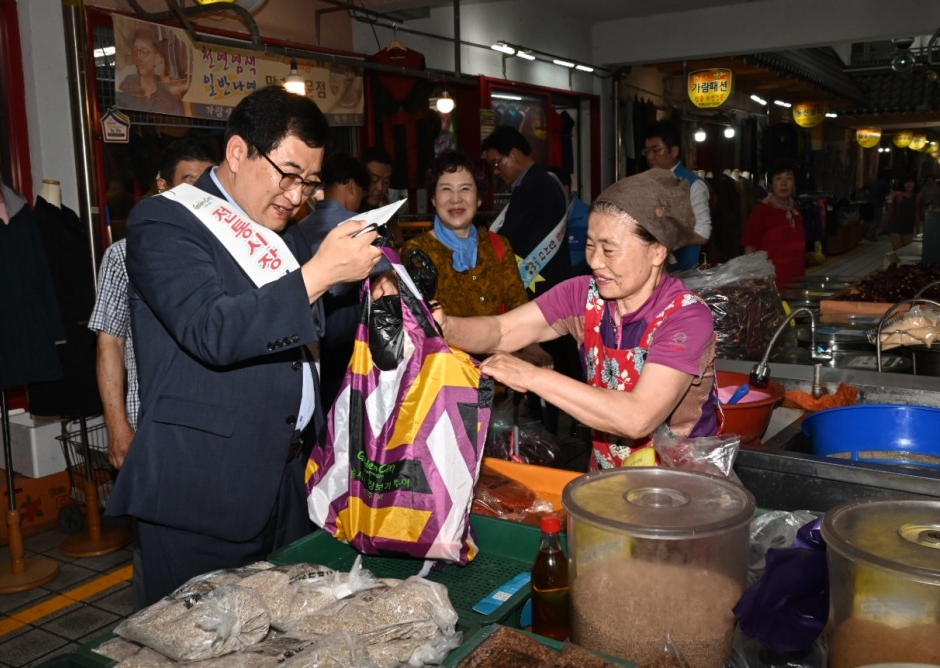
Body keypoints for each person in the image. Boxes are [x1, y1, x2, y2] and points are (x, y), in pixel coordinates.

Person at [105, 86, 384, 606]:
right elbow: (211, 329)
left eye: (311, 182)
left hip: (286, 480)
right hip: (203, 487)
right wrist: (319, 275)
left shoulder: (281, 227)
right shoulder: (164, 221)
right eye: (290, 174)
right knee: (200, 649)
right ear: (238, 152)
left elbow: (311, 323)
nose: (299, 196)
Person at [383, 169, 720, 470]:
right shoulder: (582, 295)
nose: (595, 261)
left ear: (657, 251)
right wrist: (443, 324)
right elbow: (503, 330)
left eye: (609, 249)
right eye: (589, 245)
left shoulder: (685, 317)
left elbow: (637, 417)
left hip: (682, 489)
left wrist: (530, 376)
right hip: (609, 479)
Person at [88, 137, 215, 611]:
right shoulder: (125, 254)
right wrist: (119, 426)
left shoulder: (227, 252)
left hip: (212, 432)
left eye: (209, 183)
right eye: (189, 182)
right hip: (153, 430)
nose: (201, 195)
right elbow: (109, 341)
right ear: (161, 187)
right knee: (158, 563)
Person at [400, 149, 551, 366]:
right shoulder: (416, 252)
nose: (456, 199)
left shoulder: (498, 246)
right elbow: (419, 327)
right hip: (444, 379)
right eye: (446, 189)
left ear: (479, 198)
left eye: (465, 189)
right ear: (433, 199)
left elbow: (518, 306)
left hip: (499, 375)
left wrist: (533, 346)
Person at [481, 125, 576, 434]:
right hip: (542, 284)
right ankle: (560, 424)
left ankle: (557, 429)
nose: (496, 171)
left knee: (554, 361)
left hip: (544, 285)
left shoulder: (538, 186)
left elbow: (514, 238)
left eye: (497, 163)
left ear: (516, 154)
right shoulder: (534, 185)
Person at [283, 151, 371, 407]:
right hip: (349, 341)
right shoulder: (360, 227)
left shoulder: (296, 228)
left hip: (306, 339)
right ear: (353, 186)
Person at [643, 120, 711, 271]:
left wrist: (668, 241)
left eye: (656, 150)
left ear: (674, 152)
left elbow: (703, 233)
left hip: (683, 272)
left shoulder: (693, 184)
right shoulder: (644, 182)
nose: (650, 157)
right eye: (647, 151)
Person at [742, 159, 806, 290]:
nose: (783, 184)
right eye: (778, 179)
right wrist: (753, 281)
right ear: (771, 183)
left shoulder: (796, 210)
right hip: (771, 284)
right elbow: (749, 249)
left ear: (794, 183)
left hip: (797, 281)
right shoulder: (761, 211)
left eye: (788, 179)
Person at [116, 26, 184, 115]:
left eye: (144, 52)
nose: (138, 57)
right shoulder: (125, 88)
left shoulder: (166, 95)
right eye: (135, 51)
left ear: (157, 58)